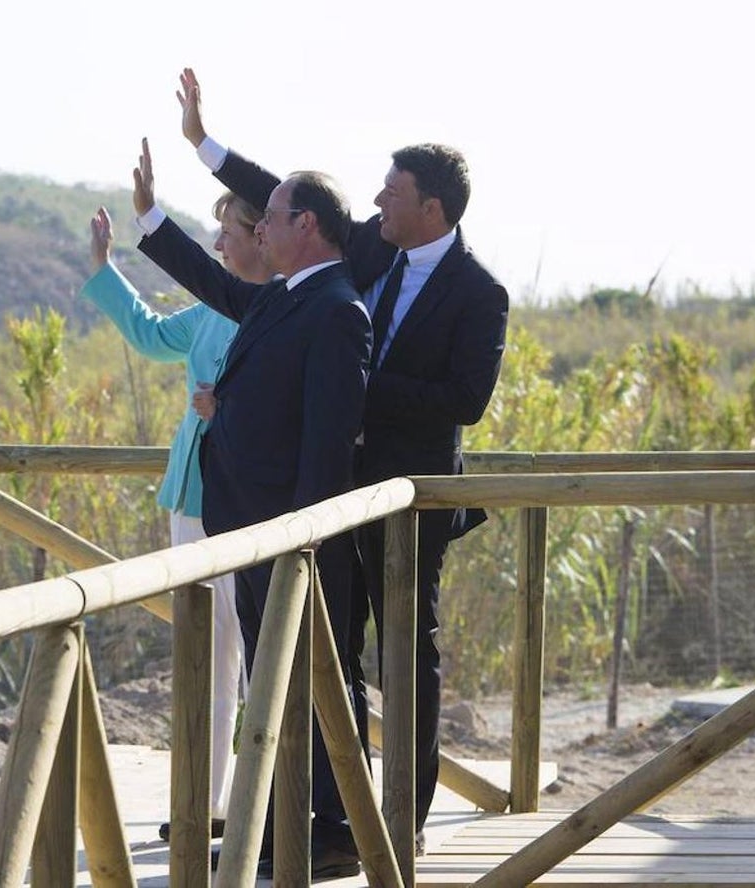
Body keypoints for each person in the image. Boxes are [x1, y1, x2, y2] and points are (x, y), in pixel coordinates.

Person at [176, 67, 510, 844]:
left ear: (432, 209)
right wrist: (204, 145)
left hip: (410, 500)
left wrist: (351, 384)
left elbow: (465, 400)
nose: (377, 202)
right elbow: (284, 196)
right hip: (337, 489)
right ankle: (338, 817)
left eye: (392, 193)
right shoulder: (372, 248)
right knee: (335, 653)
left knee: (407, 657)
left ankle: (403, 822)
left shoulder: (479, 292)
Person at [132, 137, 372, 881]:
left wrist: (303, 537)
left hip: (292, 539)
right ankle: (274, 825)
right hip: (251, 532)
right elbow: (213, 281)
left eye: (270, 217)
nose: (259, 229)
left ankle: (333, 832)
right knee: (273, 688)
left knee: (313, 683)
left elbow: (328, 442)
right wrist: (150, 221)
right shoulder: (282, 296)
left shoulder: (336, 310)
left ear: (308, 224)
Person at [79, 192, 273, 841]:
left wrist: (229, 407)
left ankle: (255, 804)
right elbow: (152, 336)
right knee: (205, 654)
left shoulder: (286, 309)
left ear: (264, 237)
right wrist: (104, 267)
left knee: (257, 654)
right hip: (190, 500)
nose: (217, 246)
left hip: (251, 506)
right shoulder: (212, 309)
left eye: (227, 233)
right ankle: (203, 802)